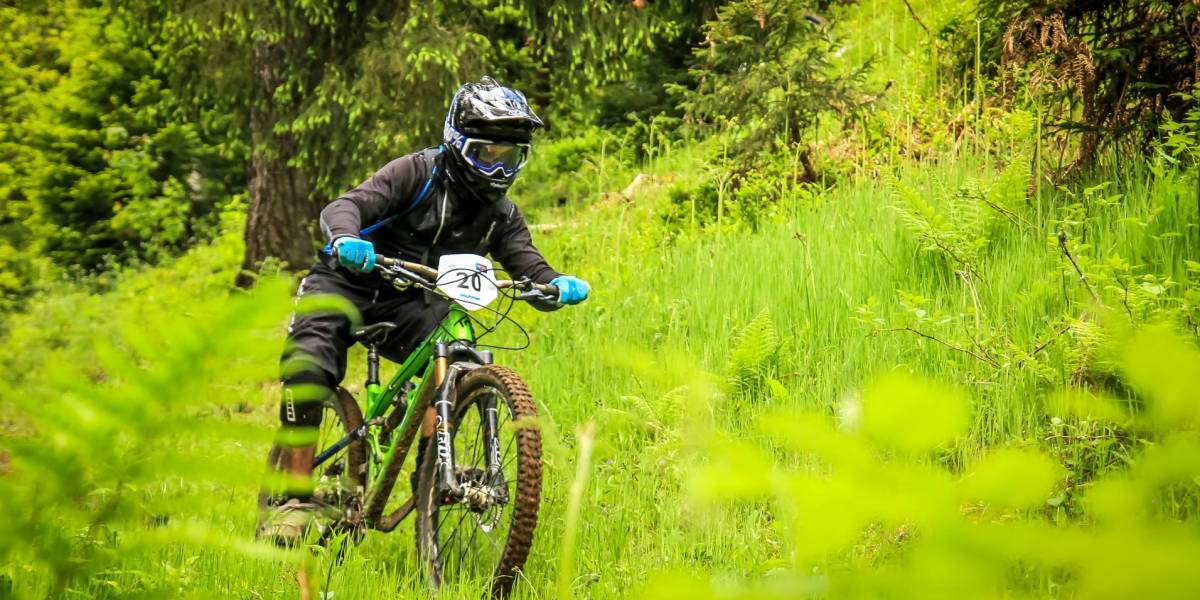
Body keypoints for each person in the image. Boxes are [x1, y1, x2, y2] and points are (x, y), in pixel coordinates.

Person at [260, 76, 590, 544]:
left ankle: (432, 474)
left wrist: (553, 284)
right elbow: (346, 206)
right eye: (486, 154)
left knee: (452, 354)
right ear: (457, 143)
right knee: (308, 367)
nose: (497, 169)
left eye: (511, 157)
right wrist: (347, 238)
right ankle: (294, 497)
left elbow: (526, 263)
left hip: (410, 299)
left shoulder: (502, 214)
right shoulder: (415, 174)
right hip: (346, 281)